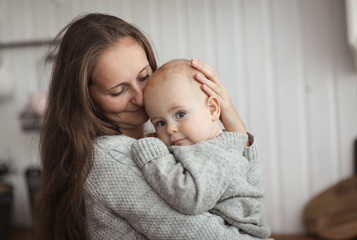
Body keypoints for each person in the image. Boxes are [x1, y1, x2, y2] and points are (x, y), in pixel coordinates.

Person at [34, 13, 272, 240]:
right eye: (119, 91)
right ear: (85, 98)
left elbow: (246, 206)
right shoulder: (111, 158)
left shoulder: (162, 138)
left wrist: (232, 120)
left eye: (144, 76)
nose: (140, 97)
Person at [130, 59, 271, 238]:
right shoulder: (215, 146)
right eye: (160, 122)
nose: (170, 129)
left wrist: (152, 154)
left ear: (212, 109)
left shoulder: (217, 154)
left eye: (180, 114)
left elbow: (189, 198)